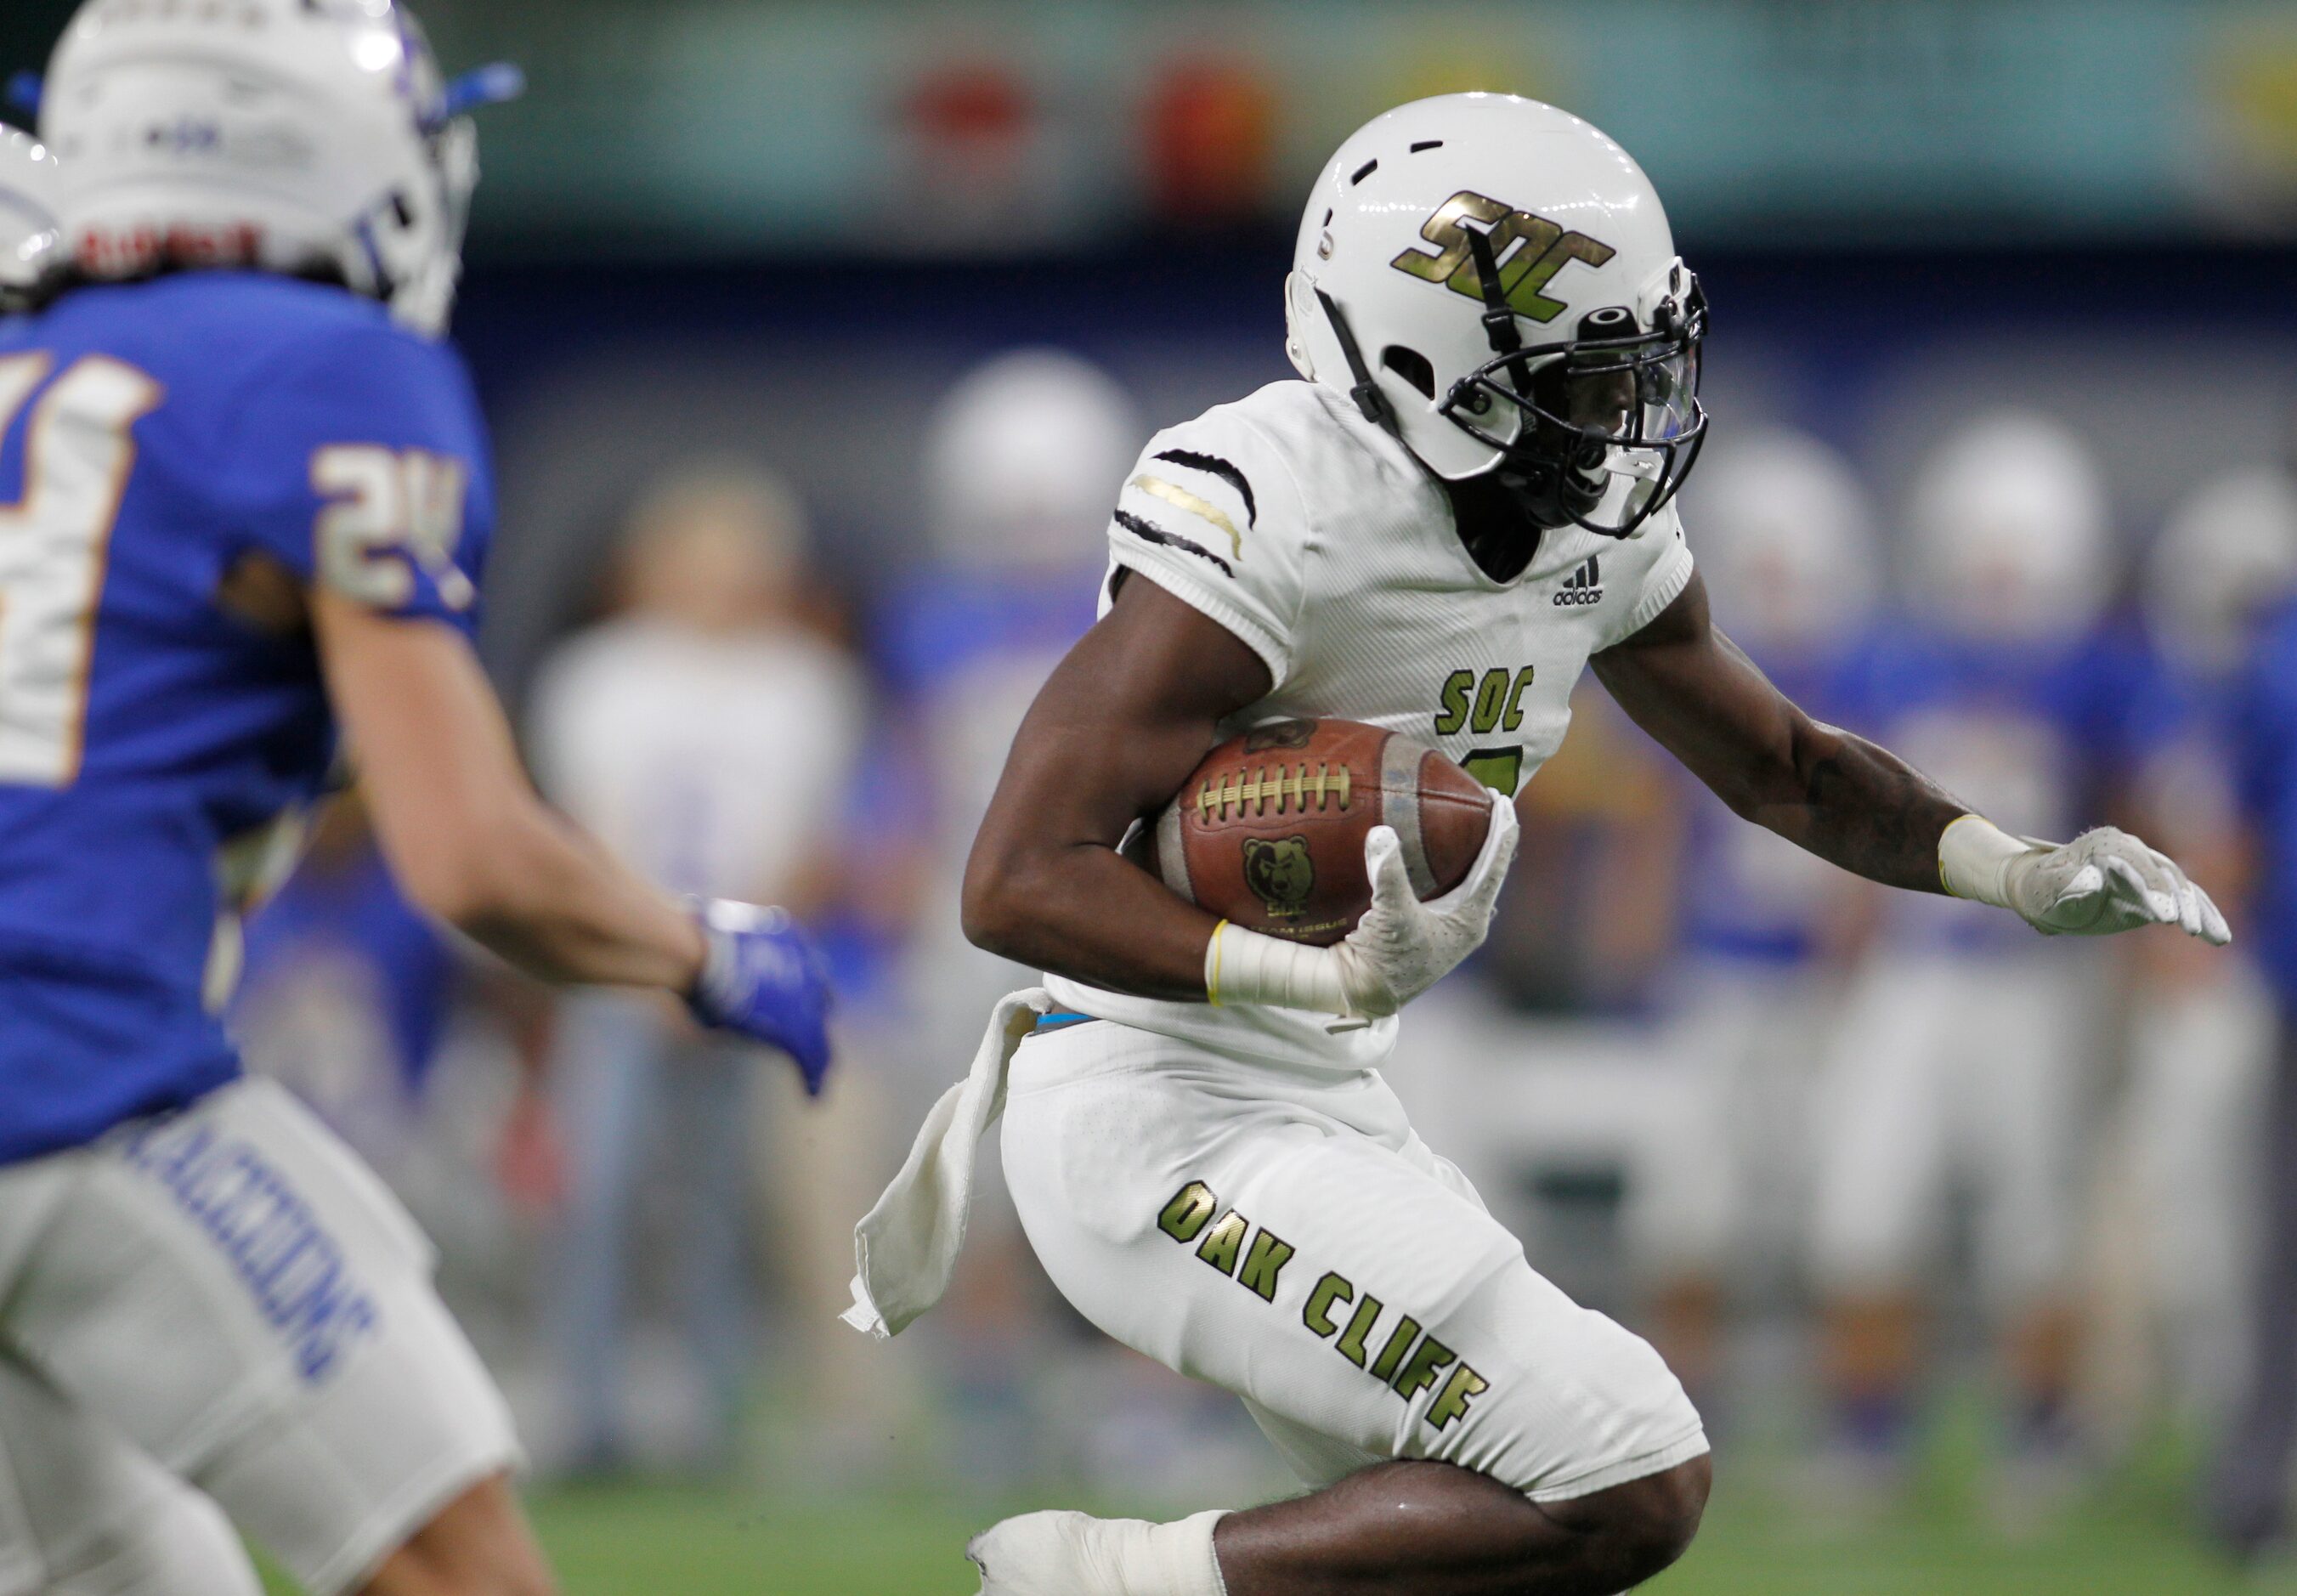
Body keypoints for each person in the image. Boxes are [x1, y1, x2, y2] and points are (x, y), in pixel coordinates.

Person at [842, 93, 2228, 1596]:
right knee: (1622, 1462)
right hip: (1146, 1104)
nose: (1629, 412)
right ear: (1429, 355)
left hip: (1324, 1093)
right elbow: (1016, 874)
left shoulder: (1589, 524)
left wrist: (2009, 868)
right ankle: (1100, 1577)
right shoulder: (1282, 501)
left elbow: (1778, 766)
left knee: (1485, 1538)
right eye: (1589, 371)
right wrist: (1295, 974)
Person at [0, 6, 833, 1595]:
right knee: (458, 1569)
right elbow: (470, 853)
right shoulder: (325, 368)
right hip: (70, 1075)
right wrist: (702, 950)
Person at [1801, 412, 2146, 1510]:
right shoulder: (1902, 656)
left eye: (2017, 543)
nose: (1996, 568)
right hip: (1916, 963)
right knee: (1862, 1201)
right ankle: (1866, 1436)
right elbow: (1861, 817)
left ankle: (2034, 1435)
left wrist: (2126, 963)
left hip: (2036, 974)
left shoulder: (2093, 668)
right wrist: (1845, 940)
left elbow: (2132, 814)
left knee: (2031, 1220)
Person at [526, 463, 865, 1475]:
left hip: (743, 970)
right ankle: (583, 1411)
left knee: (724, 1204)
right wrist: (653, 963)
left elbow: (807, 850)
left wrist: (725, 963)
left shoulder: (804, 682)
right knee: (600, 1191)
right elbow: (591, 833)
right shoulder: (599, 675)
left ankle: (711, 1421)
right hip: (622, 969)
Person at [1626, 427, 1883, 1411]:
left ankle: (1853, 1424)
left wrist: (1863, 925)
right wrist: (1643, 942)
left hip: (1823, 987)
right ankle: (1687, 1404)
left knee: (1845, 1209)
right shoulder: (1693, 675)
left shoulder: (1860, 676)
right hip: (1718, 972)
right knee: (1690, 1205)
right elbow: (1659, 818)